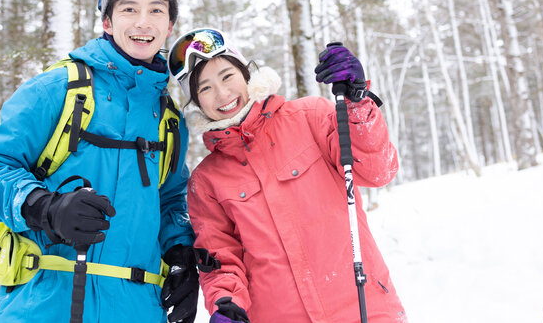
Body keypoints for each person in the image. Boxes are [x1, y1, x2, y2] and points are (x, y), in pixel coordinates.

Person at [0, 0, 199, 323]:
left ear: (169, 25)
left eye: (156, 9)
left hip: (138, 310)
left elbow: (171, 199)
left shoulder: (169, 118)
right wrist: (45, 207)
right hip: (45, 304)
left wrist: (182, 254)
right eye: (129, 9)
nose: (143, 22)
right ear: (107, 21)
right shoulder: (59, 88)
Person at [167, 28, 407, 323]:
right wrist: (226, 304)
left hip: (363, 309)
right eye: (205, 88)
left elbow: (378, 170)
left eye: (227, 76)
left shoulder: (311, 117)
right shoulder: (206, 181)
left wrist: (357, 101)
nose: (223, 94)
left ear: (245, 73)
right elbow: (221, 259)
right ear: (196, 102)